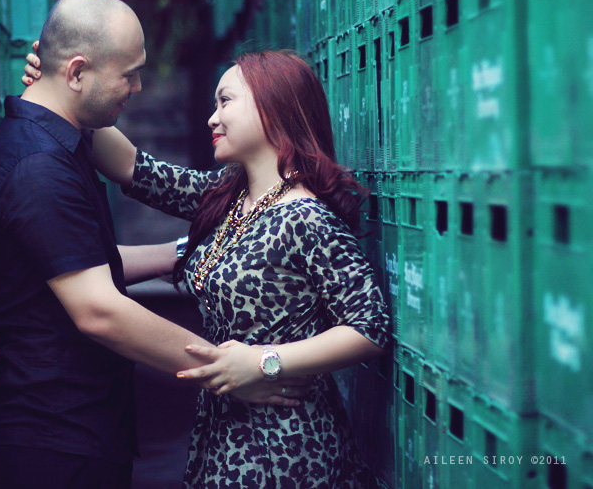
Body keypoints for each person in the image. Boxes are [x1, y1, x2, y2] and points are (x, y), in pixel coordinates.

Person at [0, 0, 303, 489]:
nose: (139, 86)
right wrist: (226, 370)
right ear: (77, 73)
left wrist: (185, 254)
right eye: (128, 74)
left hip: (79, 429)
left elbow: (87, 257)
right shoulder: (38, 166)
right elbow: (99, 309)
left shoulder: (60, 143)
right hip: (54, 436)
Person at [24, 48, 392, 487]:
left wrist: (263, 362)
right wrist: (62, 92)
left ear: (273, 106)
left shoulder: (306, 218)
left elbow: (370, 327)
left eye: (225, 101)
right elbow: (134, 168)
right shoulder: (230, 198)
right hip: (224, 431)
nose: (212, 119)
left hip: (287, 444)